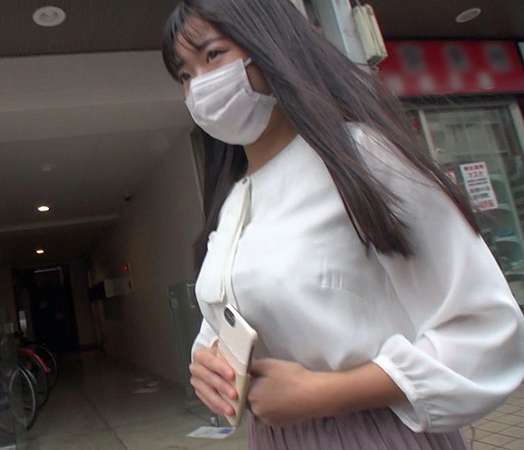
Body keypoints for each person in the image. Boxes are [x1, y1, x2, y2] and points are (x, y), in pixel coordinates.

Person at [160, 0, 524, 448]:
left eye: (213, 55)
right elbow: (234, 317)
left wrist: (327, 393)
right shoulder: (234, 199)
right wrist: (209, 361)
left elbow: (486, 328)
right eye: (185, 75)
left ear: (271, 45)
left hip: (374, 435)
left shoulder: (364, 158)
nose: (200, 85)